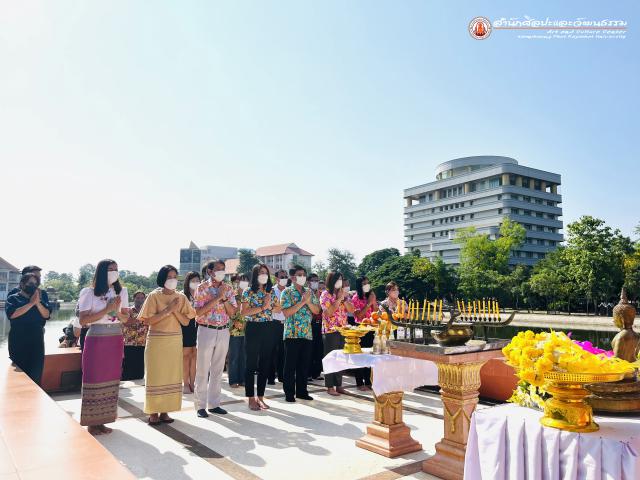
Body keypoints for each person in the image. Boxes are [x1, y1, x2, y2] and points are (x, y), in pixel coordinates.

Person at [138, 265, 196, 425]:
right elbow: (148, 320)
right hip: (156, 341)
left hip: (174, 341)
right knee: (155, 376)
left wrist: (175, 310)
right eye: (169, 277)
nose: (172, 280)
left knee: (171, 375)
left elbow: (186, 321)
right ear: (163, 278)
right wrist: (168, 310)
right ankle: (153, 412)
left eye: (174, 277)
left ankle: (165, 411)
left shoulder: (181, 298)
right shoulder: (153, 296)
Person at [78, 259, 129, 435]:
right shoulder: (89, 292)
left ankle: (104, 419)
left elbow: (126, 319)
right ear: (101, 272)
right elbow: (83, 320)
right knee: (94, 378)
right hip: (97, 337)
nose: (114, 272)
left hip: (115, 337)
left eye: (116, 269)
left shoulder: (121, 292)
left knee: (111, 379)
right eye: (110, 269)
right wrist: (107, 309)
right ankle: (92, 422)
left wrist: (117, 312)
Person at [192, 260, 238, 417]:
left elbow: (232, 313)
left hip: (223, 330)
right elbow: (198, 311)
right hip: (206, 330)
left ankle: (214, 404)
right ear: (210, 272)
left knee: (218, 369)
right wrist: (217, 297)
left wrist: (224, 298)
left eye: (223, 269)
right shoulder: (202, 288)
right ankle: (200, 406)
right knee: (203, 369)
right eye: (218, 269)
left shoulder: (229, 288)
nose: (221, 272)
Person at [280, 265, 320, 402]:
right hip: (292, 334)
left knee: (304, 365)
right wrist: (303, 302)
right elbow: (286, 312)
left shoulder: (309, 292)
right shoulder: (287, 292)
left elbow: (316, 311)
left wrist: (308, 302)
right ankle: (289, 393)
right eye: (299, 274)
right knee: (290, 366)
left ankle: (302, 391)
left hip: (306, 333)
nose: (302, 277)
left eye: (304, 274)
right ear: (292, 277)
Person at [5, 273, 51, 385]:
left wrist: (38, 303)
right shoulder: (13, 298)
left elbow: (46, 315)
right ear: (22, 284)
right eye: (30, 283)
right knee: (19, 376)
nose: (33, 286)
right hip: (19, 341)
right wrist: (31, 304)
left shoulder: (40, 300)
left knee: (36, 374)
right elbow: (12, 314)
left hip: (37, 342)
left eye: (36, 284)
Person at [241, 263, 276, 411]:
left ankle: (260, 397)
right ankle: (250, 398)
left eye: (266, 272)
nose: (264, 275)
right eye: (261, 272)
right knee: (251, 364)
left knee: (265, 363)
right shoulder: (248, 291)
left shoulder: (271, 291)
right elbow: (244, 312)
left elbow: (277, 308)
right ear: (255, 275)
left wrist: (273, 305)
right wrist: (263, 306)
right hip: (253, 328)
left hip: (268, 327)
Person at [320, 271, 354, 396]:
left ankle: (339, 385)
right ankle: (329, 387)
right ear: (331, 280)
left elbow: (351, 310)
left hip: (343, 330)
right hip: (330, 331)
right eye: (338, 279)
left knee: (340, 358)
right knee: (330, 358)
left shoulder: (343, 294)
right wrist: (338, 299)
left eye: (341, 279)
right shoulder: (325, 295)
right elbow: (328, 312)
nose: (340, 281)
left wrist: (343, 299)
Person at [352, 277, 377, 390]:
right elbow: (359, 316)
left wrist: (373, 301)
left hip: (371, 328)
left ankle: (368, 381)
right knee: (360, 356)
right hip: (361, 329)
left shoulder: (370, 296)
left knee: (369, 356)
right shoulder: (356, 298)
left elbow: (375, 312)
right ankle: (359, 382)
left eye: (368, 283)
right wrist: (368, 304)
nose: (367, 285)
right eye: (364, 283)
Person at [121, 291, 148, 381]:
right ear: (134, 299)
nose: (140, 300)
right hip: (129, 343)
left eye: (142, 298)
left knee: (140, 367)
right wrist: (139, 318)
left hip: (142, 342)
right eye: (138, 298)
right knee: (128, 366)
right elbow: (126, 323)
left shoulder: (147, 311)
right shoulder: (129, 310)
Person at [228, 274, 248, 388]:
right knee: (234, 355)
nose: (244, 282)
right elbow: (230, 312)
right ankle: (233, 380)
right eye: (242, 280)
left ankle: (242, 379)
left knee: (244, 356)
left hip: (247, 329)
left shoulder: (249, 295)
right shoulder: (233, 295)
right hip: (235, 329)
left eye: (246, 280)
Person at [268, 269, 288, 384]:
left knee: (283, 352)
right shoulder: (271, 291)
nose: (284, 278)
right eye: (282, 276)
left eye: (285, 276)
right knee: (272, 351)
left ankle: (282, 376)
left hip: (285, 324)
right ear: (276, 279)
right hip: (273, 323)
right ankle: (270, 377)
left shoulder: (289, 291)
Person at [182, 272, 200, 393]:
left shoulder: (202, 294)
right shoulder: (182, 296)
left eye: (198, 280)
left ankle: (193, 383)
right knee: (186, 356)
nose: (196, 283)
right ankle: (185, 384)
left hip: (199, 326)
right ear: (187, 282)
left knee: (195, 356)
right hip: (186, 326)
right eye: (193, 280)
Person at [307, 273, 324, 381]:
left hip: (319, 323)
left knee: (319, 349)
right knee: (309, 349)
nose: (315, 283)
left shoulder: (321, 294)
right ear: (308, 282)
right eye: (314, 280)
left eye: (317, 280)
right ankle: (307, 373)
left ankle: (316, 373)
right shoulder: (306, 293)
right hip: (309, 324)